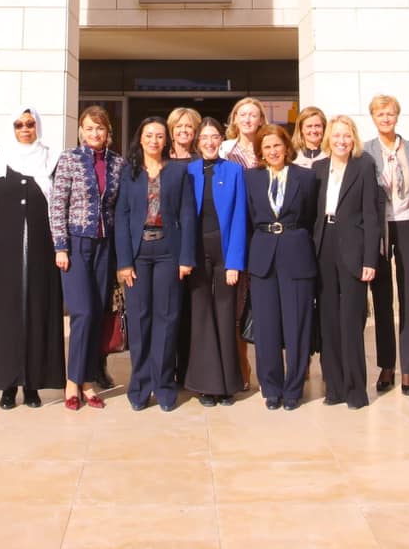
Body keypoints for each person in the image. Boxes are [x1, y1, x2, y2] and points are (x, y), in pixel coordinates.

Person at [0, 106, 65, 409]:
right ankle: (7, 385)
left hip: (43, 251)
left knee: (38, 313)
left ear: (37, 126)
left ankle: (32, 385)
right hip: (4, 251)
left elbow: (60, 204)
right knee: (8, 316)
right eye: (19, 124)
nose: (25, 129)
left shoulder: (52, 159)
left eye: (30, 124)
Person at [115, 116, 191, 411]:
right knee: (139, 319)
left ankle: (164, 386)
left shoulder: (177, 172)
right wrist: (124, 262)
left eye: (159, 136)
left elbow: (187, 215)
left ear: (166, 140)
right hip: (138, 253)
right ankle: (139, 387)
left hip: (168, 252)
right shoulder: (129, 172)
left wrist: (186, 257)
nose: (154, 140)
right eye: (149, 135)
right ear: (141, 139)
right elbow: (122, 217)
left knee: (166, 319)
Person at [49, 104, 122, 409]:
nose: (94, 133)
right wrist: (60, 246)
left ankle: (89, 381)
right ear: (81, 131)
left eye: (99, 128)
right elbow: (57, 204)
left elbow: (118, 207)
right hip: (77, 244)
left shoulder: (117, 163)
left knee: (99, 312)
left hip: (105, 245)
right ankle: (73, 381)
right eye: (89, 128)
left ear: (108, 132)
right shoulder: (69, 159)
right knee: (83, 312)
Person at [243, 125, 317, 410]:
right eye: (267, 147)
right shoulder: (251, 178)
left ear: (287, 147)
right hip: (263, 256)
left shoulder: (306, 177)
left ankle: (294, 388)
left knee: (297, 324)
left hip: (296, 254)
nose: (273, 151)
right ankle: (271, 388)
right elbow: (248, 219)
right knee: (266, 327)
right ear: (260, 152)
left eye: (277, 145)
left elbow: (310, 217)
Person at [310, 115, 381, 409]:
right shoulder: (318, 169)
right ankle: (335, 387)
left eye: (346, 135)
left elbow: (372, 215)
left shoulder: (364, 166)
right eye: (336, 135)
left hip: (353, 247)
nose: (341, 140)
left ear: (353, 138)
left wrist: (370, 258)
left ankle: (355, 391)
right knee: (328, 319)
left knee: (351, 320)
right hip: (324, 243)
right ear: (329, 137)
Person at [179, 116, 247, 405]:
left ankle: (227, 385)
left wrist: (234, 263)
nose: (209, 142)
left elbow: (240, 217)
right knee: (201, 316)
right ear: (197, 141)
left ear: (222, 140)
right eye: (204, 137)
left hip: (224, 249)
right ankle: (206, 385)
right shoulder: (188, 171)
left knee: (225, 314)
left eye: (215, 137)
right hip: (196, 251)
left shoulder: (234, 170)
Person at [363, 94, 409, 397]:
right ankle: (387, 364)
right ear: (373, 118)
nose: (385, 119)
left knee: (408, 297)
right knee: (382, 299)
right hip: (380, 228)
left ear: (397, 116)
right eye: (380, 114)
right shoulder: (366, 151)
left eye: (389, 114)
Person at [221, 96, 268, 169]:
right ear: (235, 118)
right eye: (243, 115)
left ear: (261, 120)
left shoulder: (267, 147)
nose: (247, 120)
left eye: (253, 116)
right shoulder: (224, 148)